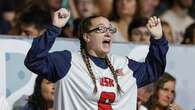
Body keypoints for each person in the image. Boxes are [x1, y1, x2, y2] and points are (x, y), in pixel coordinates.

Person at [24, 8, 168, 110]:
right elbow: (34, 60)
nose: (107, 33)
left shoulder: (124, 65)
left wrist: (158, 38)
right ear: (86, 37)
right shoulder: (67, 62)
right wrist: (54, 28)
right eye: (100, 29)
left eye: (110, 29)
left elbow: (154, 70)